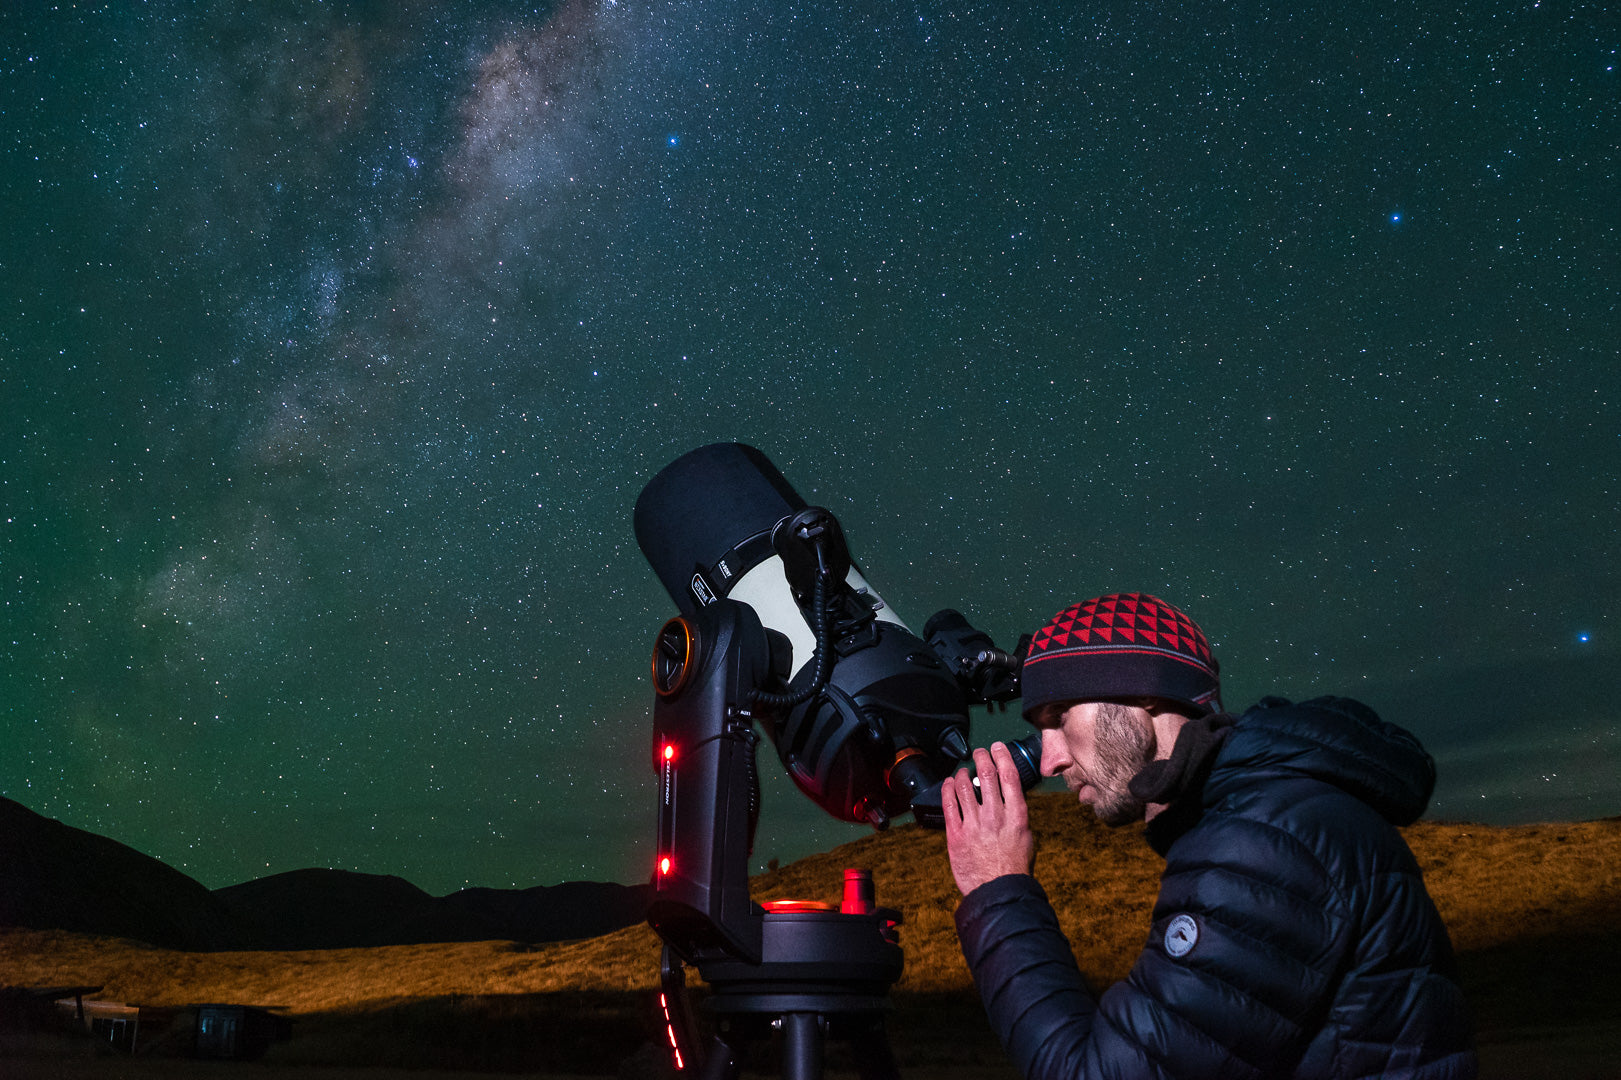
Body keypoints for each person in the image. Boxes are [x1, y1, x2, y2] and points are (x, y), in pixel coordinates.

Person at [942, 592, 1477, 1079]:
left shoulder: (1263, 841)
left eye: (1060, 715)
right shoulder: (1265, 814)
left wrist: (999, 890)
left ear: (1142, 689)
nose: (1052, 758)